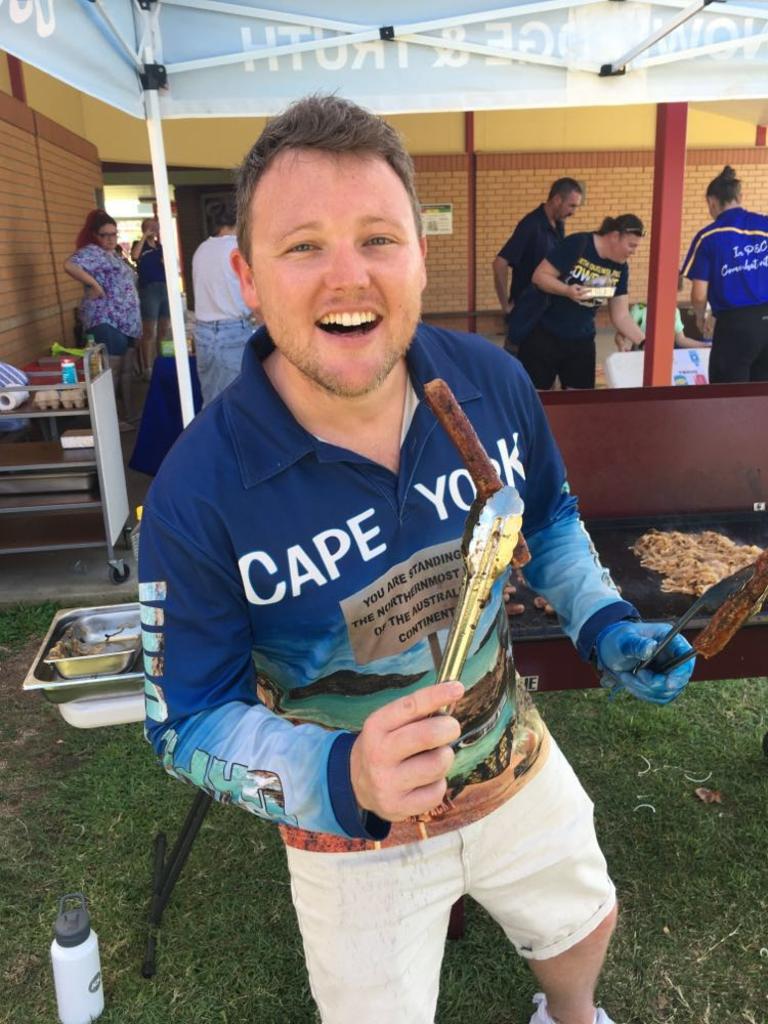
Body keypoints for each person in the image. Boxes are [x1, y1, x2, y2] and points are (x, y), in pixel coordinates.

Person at [138, 96, 694, 1024]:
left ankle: (570, 1015)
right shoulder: (199, 489)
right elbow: (183, 720)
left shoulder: (493, 383)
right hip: (348, 821)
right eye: (303, 245)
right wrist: (341, 778)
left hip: (509, 750)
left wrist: (604, 625)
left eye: (378, 239)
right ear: (246, 277)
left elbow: (548, 520)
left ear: (421, 255)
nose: (346, 277)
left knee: (580, 921)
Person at [518, 214, 647, 390]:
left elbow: (621, 315)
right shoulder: (579, 244)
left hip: (581, 341)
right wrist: (567, 291)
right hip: (544, 334)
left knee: (580, 400)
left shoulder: (621, 267)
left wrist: (645, 342)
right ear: (615, 236)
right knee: (538, 397)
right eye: (631, 245)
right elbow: (540, 276)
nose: (633, 252)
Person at [681, 165, 768, 383]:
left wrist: (701, 316)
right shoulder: (765, 225)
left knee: (728, 396)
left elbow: (699, 294)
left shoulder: (709, 236)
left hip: (735, 325)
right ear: (739, 196)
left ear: (711, 202)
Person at [63, 209, 141, 424]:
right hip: (106, 319)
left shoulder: (113, 254)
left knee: (126, 368)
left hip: (126, 321)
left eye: (113, 234)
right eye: (104, 235)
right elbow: (69, 265)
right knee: (111, 370)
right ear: (94, 235)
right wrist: (95, 285)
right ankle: (110, 419)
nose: (109, 239)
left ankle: (128, 413)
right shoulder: (91, 252)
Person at [493, 178, 584, 354]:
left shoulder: (558, 224)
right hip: (526, 313)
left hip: (548, 312)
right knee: (519, 366)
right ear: (557, 200)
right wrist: (506, 304)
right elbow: (499, 263)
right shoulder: (531, 225)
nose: (573, 212)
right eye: (571, 206)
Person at [191, 198, 256, 405]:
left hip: (203, 333)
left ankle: (209, 438)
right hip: (234, 329)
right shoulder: (239, 250)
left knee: (211, 403)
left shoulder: (201, 250)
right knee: (240, 401)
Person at [131, 218, 170, 377]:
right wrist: (144, 237)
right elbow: (134, 256)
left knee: (164, 328)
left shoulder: (160, 247)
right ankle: (148, 368)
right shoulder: (139, 245)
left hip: (164, 287)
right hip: (149, 289)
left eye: (156, 227)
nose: (153, 229)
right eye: (150, 227)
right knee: (149, 331)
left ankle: (163, 363)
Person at [614, 301, 708, 351]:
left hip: (663, 357)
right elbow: (620, 335)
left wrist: (704, 345)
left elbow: (681, 339)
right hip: (638, 358)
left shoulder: (674, 312)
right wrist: (621, 343)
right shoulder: (638, 311)